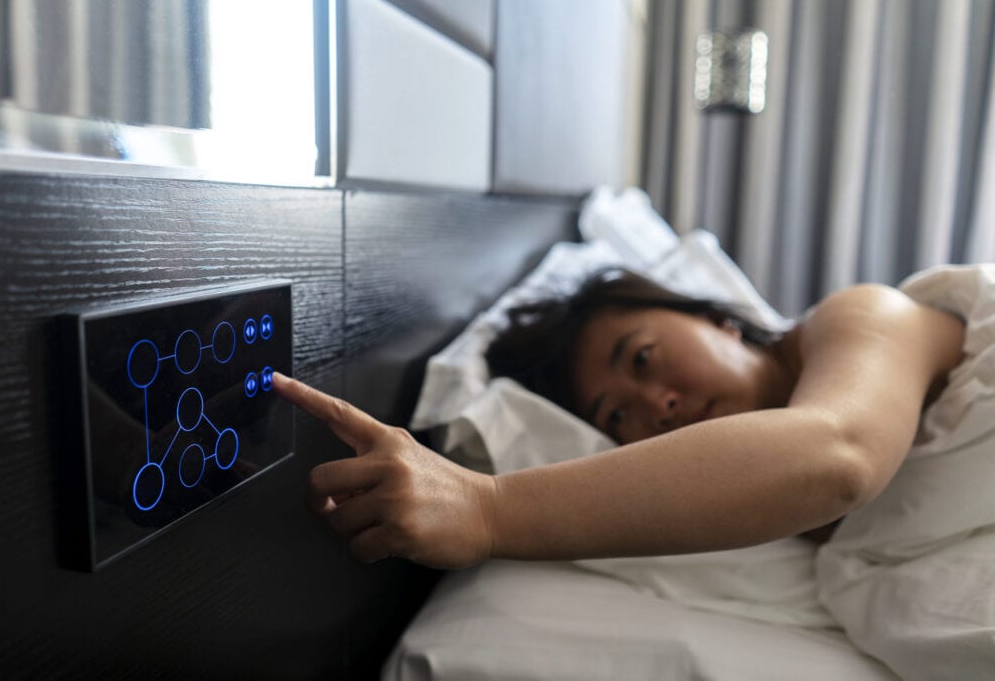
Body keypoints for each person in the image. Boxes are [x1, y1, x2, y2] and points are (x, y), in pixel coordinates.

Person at [271, 267, 966, 570]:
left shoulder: (863, 315)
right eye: (616, 414)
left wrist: (488, 511)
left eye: (642, 359)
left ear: (717, 318)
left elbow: (838, 457)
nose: (655, 404)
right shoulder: (738, 507)